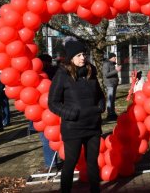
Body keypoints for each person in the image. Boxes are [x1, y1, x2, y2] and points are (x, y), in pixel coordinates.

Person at [48, 40, 105, 193]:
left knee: (92, 163)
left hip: (93, 126)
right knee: (70, 163)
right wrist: (72, 114)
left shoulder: (90, 71)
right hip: (73, 128)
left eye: (84, 54)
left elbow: (99, 94)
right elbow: (53, 103)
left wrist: (101, 106)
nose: (83, 58)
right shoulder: (62, 75)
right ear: (70, 58)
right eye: (79, 55)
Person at [37, 54, 59, 172]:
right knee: (53, 136)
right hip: (50, 109)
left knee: (46, 137)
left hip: (45, 110)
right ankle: (54, 161)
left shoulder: (42, 74)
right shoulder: (57, 71)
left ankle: (51, 163)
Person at [102, 52, 121, 121]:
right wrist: (116, 70)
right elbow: (106, 74)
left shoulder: (112, 64)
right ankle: (109, 114)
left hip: (114, 83)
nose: (115, 58)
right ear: (110, 58)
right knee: (110, 99)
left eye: (115, 57)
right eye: (114, 57)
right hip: (109, 84)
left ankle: (113, 113)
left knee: (112, 99)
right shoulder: (106, 64)